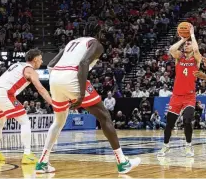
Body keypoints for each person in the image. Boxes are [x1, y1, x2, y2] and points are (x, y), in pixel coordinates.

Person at [35, 37, 140, 174]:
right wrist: (81, 95)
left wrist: (60, 83)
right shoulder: (97, 44)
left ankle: (42, 162)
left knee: (58, 122)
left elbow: (50, 65)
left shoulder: (73, 42)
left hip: (55, 78)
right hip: (72, 76)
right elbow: (84, 63)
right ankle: (122, 162)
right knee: (105, 117)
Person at [0, 49, 53, 164]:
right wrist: (53, 103)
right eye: (41, 59)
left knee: (0, 123)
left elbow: (2, 80)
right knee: (25, 122)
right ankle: (27, 154)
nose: (42, 61)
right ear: (35, 59)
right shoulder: (30, 70)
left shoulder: (16, 65)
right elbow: (41, 89)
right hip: (5, 93)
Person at [157, 23, 201, 157]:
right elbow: (171, 49)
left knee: (187, 120)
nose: (186, 45)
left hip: (189, 97)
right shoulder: (179, 58)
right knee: (169, 124)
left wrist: (192, 35)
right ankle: (165, 146)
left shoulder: (196, 59)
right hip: (176, 96)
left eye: (188, 44)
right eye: (185, 45)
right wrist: (183, 38)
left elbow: (197, 50)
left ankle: (188, 146)